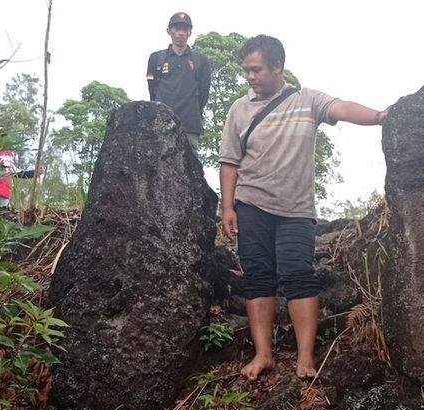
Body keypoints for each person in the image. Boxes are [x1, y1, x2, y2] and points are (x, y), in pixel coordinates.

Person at [218, 35, 390, 381]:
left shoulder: (307, 100)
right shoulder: (240, 109)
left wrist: (380, 116)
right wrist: (228, 207)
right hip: (252, 203)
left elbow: (341, 107)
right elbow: (229, 162)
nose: (249, 76)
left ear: (277, 66)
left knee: (299, 275)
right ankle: (263, 354)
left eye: (256, 69)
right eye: (246, 71)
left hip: (296, 210)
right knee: (258, 279)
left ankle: (305, 357)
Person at [146, 12, 211, 151]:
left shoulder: (200, 60)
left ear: (190, 32)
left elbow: (204, 93)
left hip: (190, 125)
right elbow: (152, 90)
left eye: (185, 29)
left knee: (190, 169)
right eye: (177, 28)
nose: (181, 33)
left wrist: (193, 110)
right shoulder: (156, 58)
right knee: (158, 168)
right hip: (161, 125)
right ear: (169, 31)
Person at [0, 144, 38, 208]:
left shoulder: (7, 153)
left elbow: (13, 171)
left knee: (3, 214)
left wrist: (33, 173)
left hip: (4, 190)